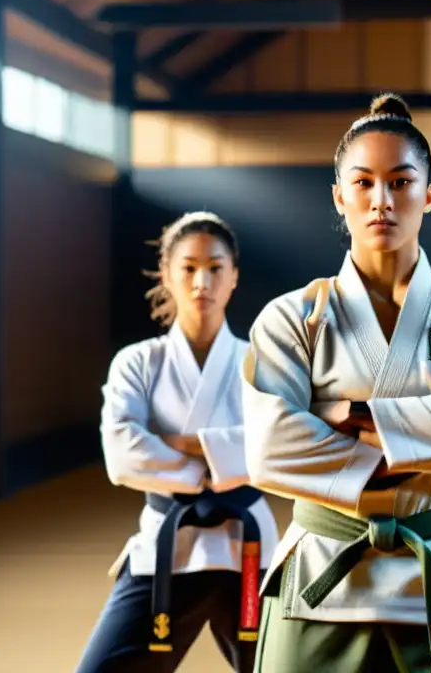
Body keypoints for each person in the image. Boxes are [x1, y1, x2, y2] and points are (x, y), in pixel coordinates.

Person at [239, 93, 431, 673]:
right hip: (323, 577)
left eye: (400, 182)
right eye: (363, 183)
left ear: (429, 195)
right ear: (339, 195)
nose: (381, 201)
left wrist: (337, 414)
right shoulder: (293, 317)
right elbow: (268, 451)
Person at [75, 211, 279, 673]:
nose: (201, 280)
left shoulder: (263, 363)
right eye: (188, 267)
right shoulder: (137, 363)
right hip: (166, 547)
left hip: (249, 551)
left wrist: (183, 443)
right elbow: (122, 456)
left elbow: (279, 446)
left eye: (215, 267)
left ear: (234, 277)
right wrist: (224, 460)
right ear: (166, 275)